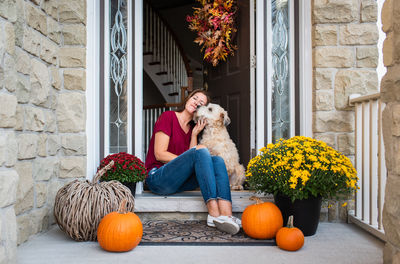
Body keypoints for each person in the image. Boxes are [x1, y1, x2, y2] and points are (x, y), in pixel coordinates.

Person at [145, 89, 241, 235]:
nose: (196, 102)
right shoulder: (168, 116)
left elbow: (193, 160)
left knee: (217, 161)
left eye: (201, 103)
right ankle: (214, 214)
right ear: (188, 99)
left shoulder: (192, 130)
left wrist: (194, 134)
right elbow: (159, 154)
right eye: (195, 98)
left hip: (178, 182)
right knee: (201, 151)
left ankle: (227, 215)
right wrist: (192, 156)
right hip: (158, 178)